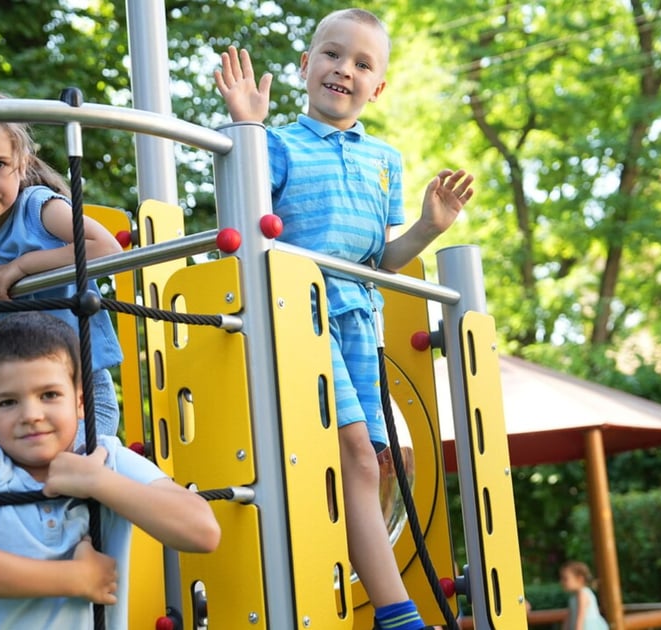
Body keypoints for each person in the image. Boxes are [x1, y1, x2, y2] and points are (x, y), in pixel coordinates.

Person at [214, 9, 474, 630]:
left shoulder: (385, 159)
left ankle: (379, 602)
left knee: (371, 463)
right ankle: (398, 615)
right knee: (355, 454)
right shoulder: (276, 144)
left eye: (362, 64)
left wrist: (428, 228)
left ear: (377, 88)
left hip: (361, 316)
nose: (344, 70)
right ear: (307, 66)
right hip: (301, 308)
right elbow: (241, 222)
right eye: (332, 55)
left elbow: (382, 260)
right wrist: (247, 127)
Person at [0, 312, 220, 629]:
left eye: (49, 395)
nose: (31, 415)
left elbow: (202, 531)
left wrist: (96, 481)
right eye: (8, 402)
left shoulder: (104, 458)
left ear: (81, 402)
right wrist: (75, 578)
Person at [0, 93, 125, 438]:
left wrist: (24, 266)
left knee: (66, 464)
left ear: (22, 165)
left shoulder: (39, 209)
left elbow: (106, 249)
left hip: (84, 392)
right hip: (25, 395)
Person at [560, 561, 609, 630]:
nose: (562, 582)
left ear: (580, 579)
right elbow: (569, 617)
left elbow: (580, 618)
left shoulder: (582, 594)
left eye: (565, 579)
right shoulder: (573, 597)